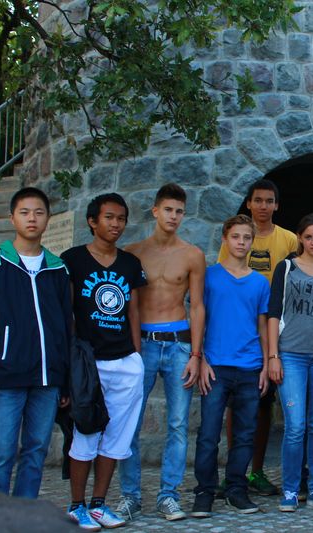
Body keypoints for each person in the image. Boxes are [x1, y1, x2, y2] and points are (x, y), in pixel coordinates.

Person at [0, 187, 72, 500]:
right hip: (6, 378)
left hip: (47, 381)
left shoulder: (57, 268)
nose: (31, 218)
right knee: (1, 453)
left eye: (38, 212)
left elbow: (64, 328)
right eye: (24, 212)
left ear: (48, 219)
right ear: (12, 218)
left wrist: (64, 381)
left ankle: (24, 515)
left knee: (36, 452)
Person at [117, 184, 206, 521]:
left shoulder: (192, 255)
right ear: (155, 211)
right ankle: (130, 495)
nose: (174, 216)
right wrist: (128, 351)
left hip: (179, 344)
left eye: (179, 211)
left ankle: (169, 495)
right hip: (142, 344)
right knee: (130, 421)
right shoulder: (133, 253)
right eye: (168, 210)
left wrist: (196, 354)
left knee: (179, 423)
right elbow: (127, 306)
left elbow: (197, 306)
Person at [61, 193, 147, 530]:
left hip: (124, 361)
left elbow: (133, 311)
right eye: (109, 217)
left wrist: (136, 355)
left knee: (117, 437)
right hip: (88, 363)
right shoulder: (73, 260)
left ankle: (98, 504)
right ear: (92, 221)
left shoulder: (129, 264)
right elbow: (67, 313)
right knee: (85, 433)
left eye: (121, 218)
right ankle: (76, 505)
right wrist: (71, 360)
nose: (116, 224)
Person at [217, 179, 296, 496]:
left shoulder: (288, 239)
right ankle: (233, 472)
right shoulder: (236, 237)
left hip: (274, 327)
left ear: (277, 205)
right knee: (234, 404)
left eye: (269, 201)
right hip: (239, 328)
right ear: (248, 203)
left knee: (264, 404)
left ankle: (257, 471)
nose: (263, 206)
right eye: (258, 200)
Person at [192, 215, 271, 518]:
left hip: (250, 367)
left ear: (253, 241)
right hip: (216, 367)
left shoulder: (259, 282)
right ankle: (205, 492)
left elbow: (262, 326)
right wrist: (201, 358)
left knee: (245, 435)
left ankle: (236, 489)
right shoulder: (209, 276)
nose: (241, 242)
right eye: (236, 236)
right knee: (208, 434)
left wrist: (265, 365)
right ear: (225, 238)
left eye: (246, 237)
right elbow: (199, 318)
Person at [268, 214, 313, 512]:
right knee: (295, 425)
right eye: (308, 237)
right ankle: (290, 489)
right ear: (300, 237)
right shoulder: (287, 268)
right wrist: (273, 356)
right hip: (291, 355)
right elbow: (273, 313)